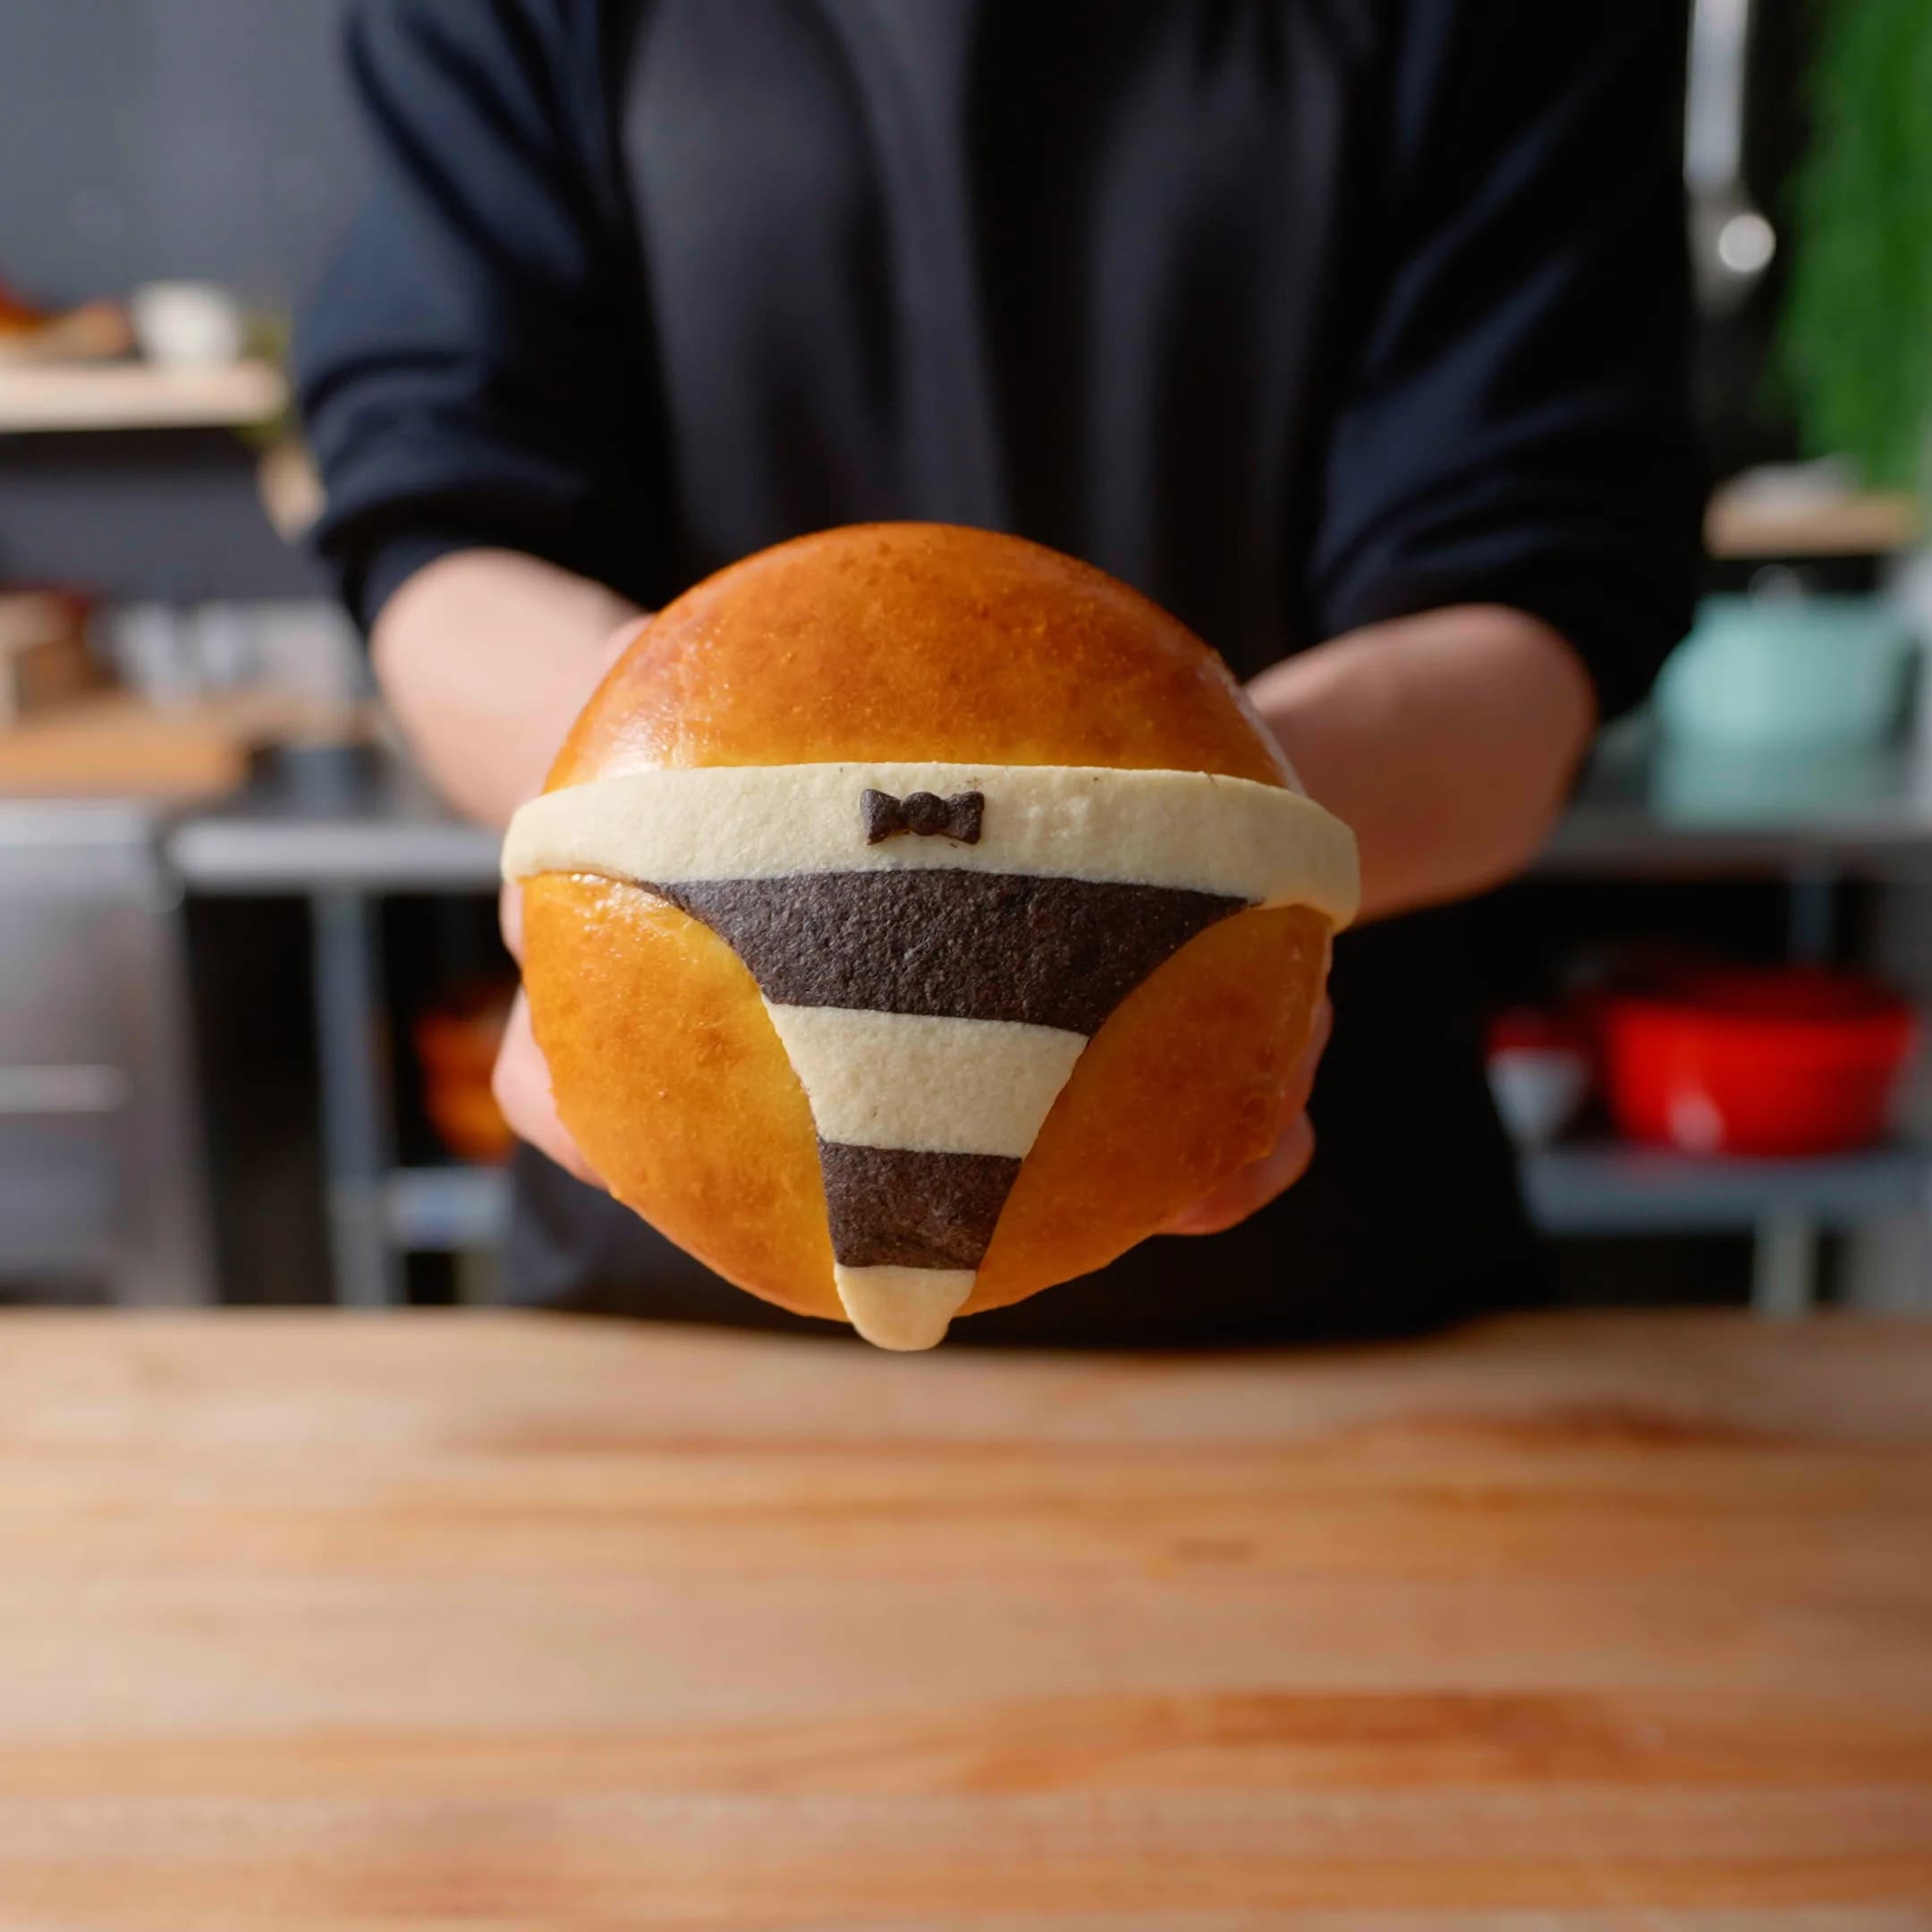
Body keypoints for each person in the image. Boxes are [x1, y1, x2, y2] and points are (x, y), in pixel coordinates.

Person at [297, 0, 1701, 1343]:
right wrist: (648, 829)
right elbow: (439, 519)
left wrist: (1185, 867)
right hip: (678, 1261)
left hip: (1314, 1281)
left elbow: (1536, 582)